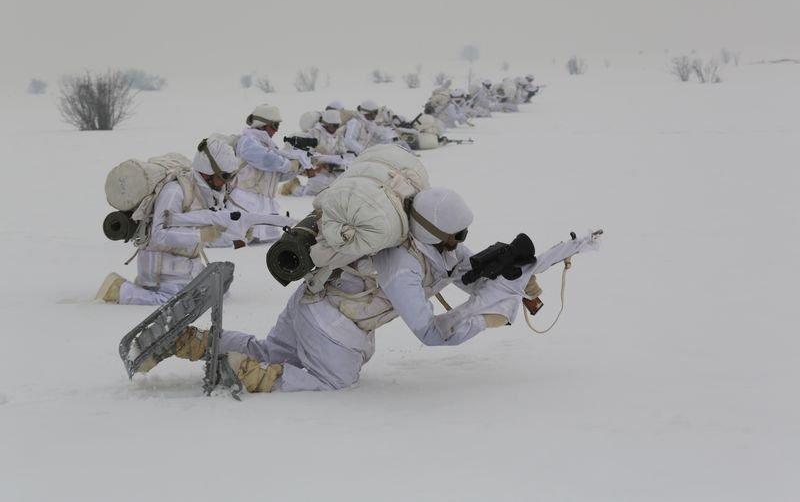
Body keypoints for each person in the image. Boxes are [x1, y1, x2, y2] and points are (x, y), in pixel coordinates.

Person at [137, 188, 547, 393]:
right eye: (457, 234)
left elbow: (463, 269)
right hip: (334, 327)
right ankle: (249, 376)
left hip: (310, 301)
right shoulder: (401, 265)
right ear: (434, 231)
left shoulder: (423, 243)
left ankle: (191, 342)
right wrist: (483, 318)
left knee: (269, 350)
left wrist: (511, 276)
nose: (461, 240)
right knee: (331, 382)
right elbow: (430, 333)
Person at [96, 140, 240, 306]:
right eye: (225, 176)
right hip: (161, 268)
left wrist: (235, 231)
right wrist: (200, 235)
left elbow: (210, 228)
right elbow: (158, 235)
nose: (227, 182)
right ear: (208, 172)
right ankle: (119, 290)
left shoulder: (207, 194)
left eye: (231, 176)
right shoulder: (175, 191)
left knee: (215, 295)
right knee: (178, 304)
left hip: (185, 265)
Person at [228, 104, 309, 243]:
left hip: (265, 204)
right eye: (274, 126)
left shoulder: (268, 145)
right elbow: (267, 160)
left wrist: (298, 167)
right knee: (240, 245)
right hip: (245, 202)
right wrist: (289, 163)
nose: (276, 131)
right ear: (262, 125)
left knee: (264, 247)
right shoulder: (247, 141)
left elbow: (277, 176)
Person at [280, 109, 349, 196]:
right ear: (326, 124)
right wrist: (322, 163)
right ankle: (292, 187)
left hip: (334, 169)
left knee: (339, 188)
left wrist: (340, 163)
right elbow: (307, 155)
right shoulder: (314, 134)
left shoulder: (338, 136)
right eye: (334, 125)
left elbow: (343, 153)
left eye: (337, 125)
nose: (336, 128)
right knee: (315, 192)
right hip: (315, 169)